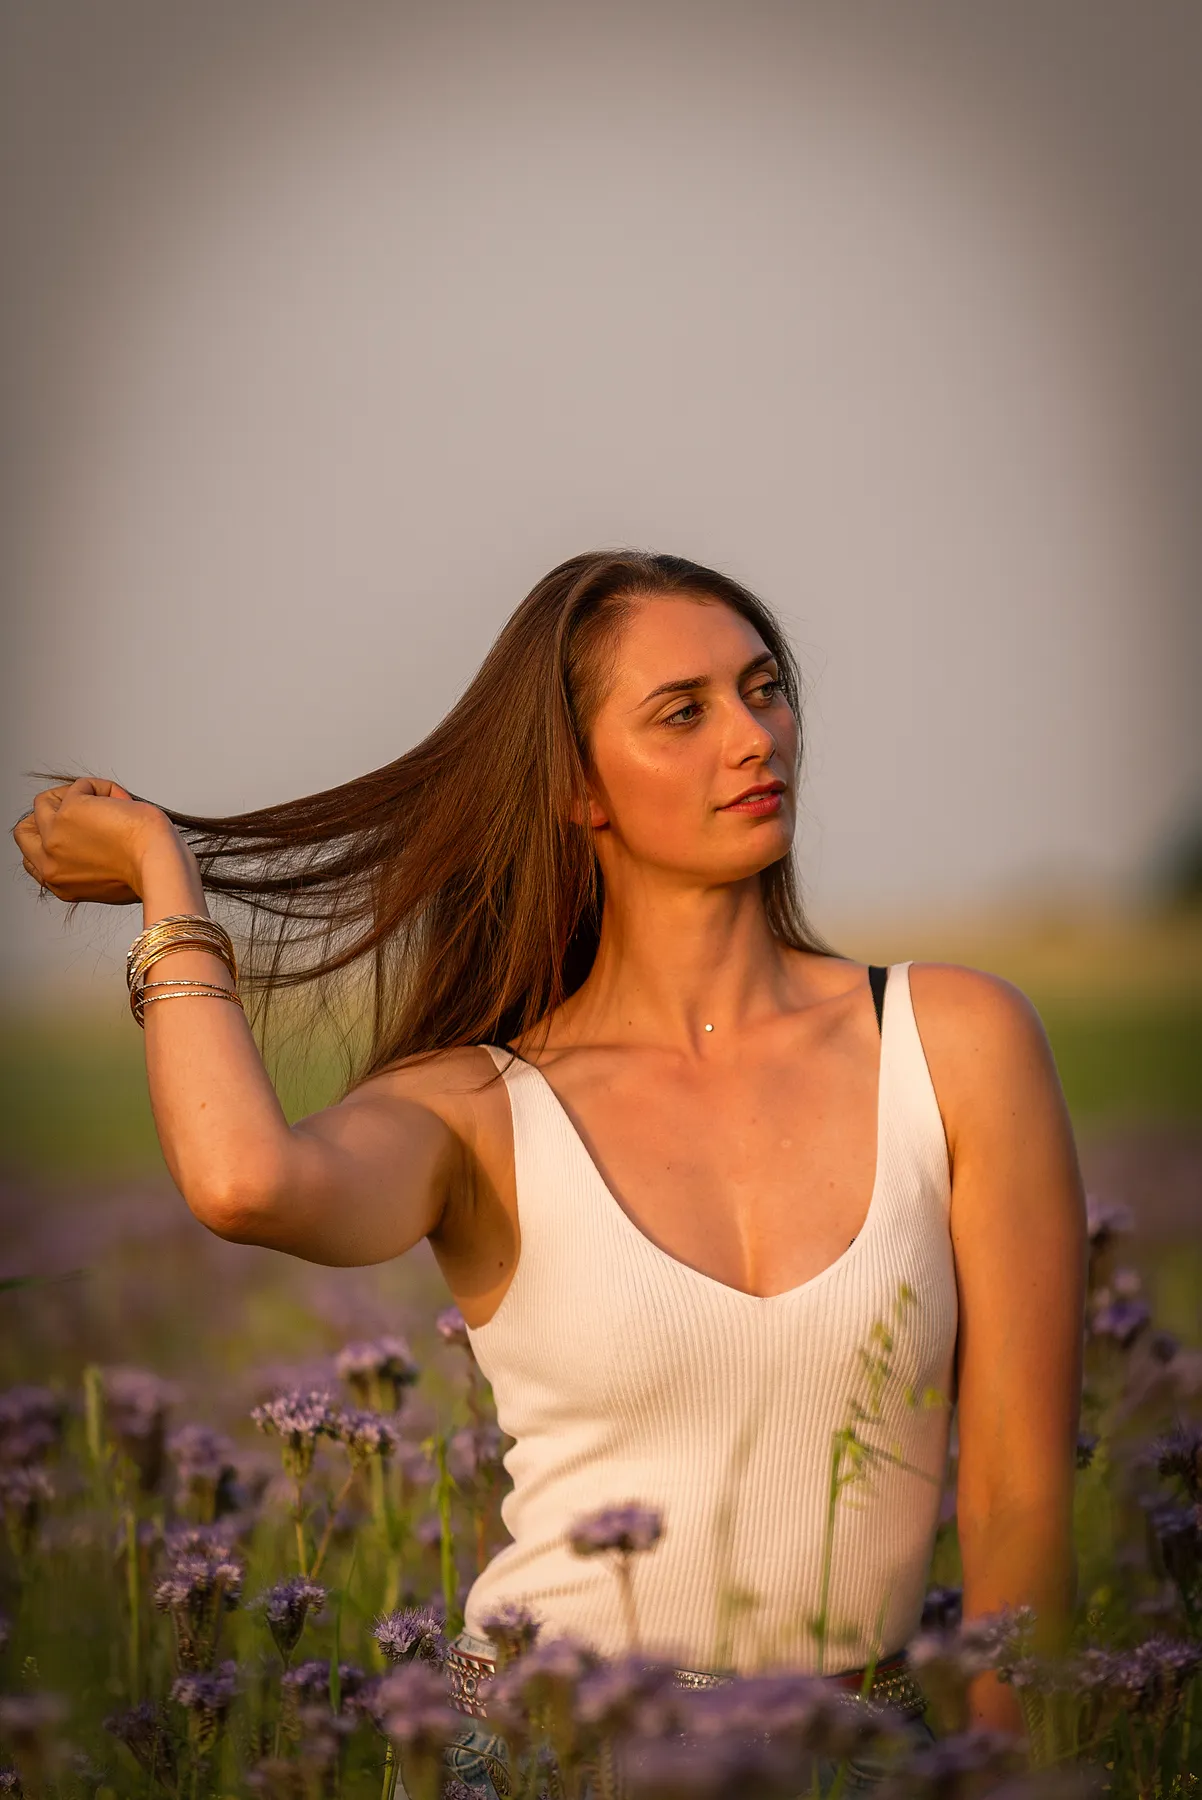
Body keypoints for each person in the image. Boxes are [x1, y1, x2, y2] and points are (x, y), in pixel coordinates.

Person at [13, 550, 1086, 1795]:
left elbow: (1016, 1493)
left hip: (868, 1750)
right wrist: (164, 881)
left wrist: (1006, 1770)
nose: (752, 737)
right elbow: (245, 1184)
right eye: (682, 712)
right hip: (544, 1756)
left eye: (763, 688)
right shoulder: (475, 1107)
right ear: (578, 787)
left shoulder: (954, 1041)